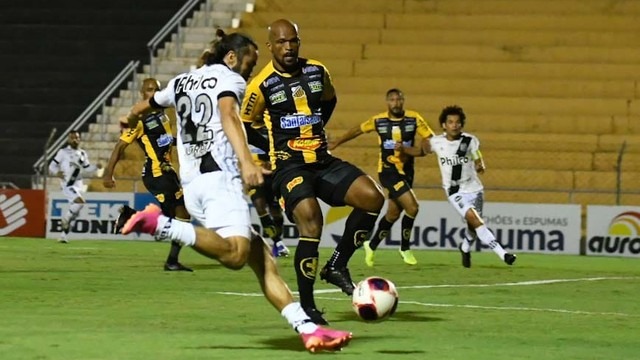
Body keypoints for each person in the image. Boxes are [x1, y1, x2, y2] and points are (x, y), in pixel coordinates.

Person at [120, 30, 352, 352]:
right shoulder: (231, 81)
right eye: (249, 63)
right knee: (235, 254)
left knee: (262, 260)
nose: (250, 71)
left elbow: (149, 104)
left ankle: (308, 328)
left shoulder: (181, 81)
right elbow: (228, 114)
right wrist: (246, 162)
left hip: (193, 186)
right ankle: (159, 224)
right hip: (220, 180)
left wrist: (130, 115)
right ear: (231, 58)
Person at [240, 19, 385, 325]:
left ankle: (336, 265)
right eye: (281, 42)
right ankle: (307, 307)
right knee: (311, 220)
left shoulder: (317, 71)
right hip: (288, 166)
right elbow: (245, 125)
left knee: (373, 198)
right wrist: (268, 152)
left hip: (321, 159)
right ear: (270, 46)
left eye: (293, 41)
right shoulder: (260, 85)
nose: (289, 47)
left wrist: (314, 130)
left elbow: (330, 100)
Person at [328, 89, 434, 267]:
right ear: (387, 102)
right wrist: (338, 141)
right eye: (392, 99)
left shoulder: (414, 118)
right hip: (388, 171)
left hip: (407, 172)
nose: (396, 103)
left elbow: (429, 138)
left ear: (403, 101)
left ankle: (372, 244)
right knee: (413, 207)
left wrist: (423, 148)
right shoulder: (379, 120)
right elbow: (357, 130)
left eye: (399, 99)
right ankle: (405, 248)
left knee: (393, 213)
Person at [401, 105, 517, 268]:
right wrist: (403, 149)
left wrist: (480, 165)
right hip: (454, 191)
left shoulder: (470, 141)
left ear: (461, 124)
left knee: (473, 226)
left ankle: (464, 247)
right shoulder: (436, 142)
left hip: (475, 189)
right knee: (475, 220)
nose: (454, 125)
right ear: (444, 125)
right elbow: (421, 151)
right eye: (450, 122)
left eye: (457, 122)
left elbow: (477, 157)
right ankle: (503, 254)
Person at [102, 78, 192, 272]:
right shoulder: (139, 119)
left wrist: (187, 141)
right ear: (142, 94)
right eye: (149, 90)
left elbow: (165, 141)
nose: (153, 93)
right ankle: (171, 261)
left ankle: (131, 216)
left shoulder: (163, 115)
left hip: (167, 171)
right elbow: (120, 146)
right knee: (182, 214)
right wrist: (108, 174)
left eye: (156, 90)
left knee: (172, 220)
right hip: (156, 172)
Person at [48, 130, 102, 243]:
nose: (74, 140)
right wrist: (56, 173)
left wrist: (96, 167)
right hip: (68, 184)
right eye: (72, 138)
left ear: (79, 139)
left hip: (78, 185)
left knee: (75, 213)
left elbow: (87, 168)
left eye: (77, 137)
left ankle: (63, 236)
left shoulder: (82, 153)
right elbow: (52, 166)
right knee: (80, 202)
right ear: (68, 139)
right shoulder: (63, 152)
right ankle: (65, 218)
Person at [248, 125, 290, 258]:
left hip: (274, 176)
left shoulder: (274, 128)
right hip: (256, 176)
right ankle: (277, 242)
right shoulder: (246, 130)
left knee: (276, 212)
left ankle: (279, 242)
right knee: (260, 208)